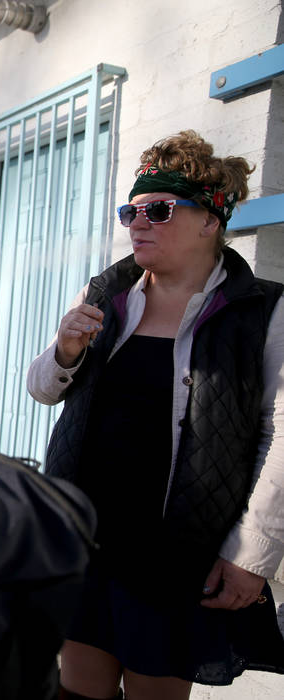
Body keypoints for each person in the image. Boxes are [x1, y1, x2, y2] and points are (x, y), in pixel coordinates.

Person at [27, 130, 284, 699]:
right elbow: (43, 390)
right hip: (87, 536)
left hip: (176, 554)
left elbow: (279, 436)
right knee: (77, 693)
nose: (138, 223)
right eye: (131, 211)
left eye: (159, 210)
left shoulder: (261, 310)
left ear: (211, 220)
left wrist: (253, 552)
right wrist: (65, 351)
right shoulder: (107, 293)